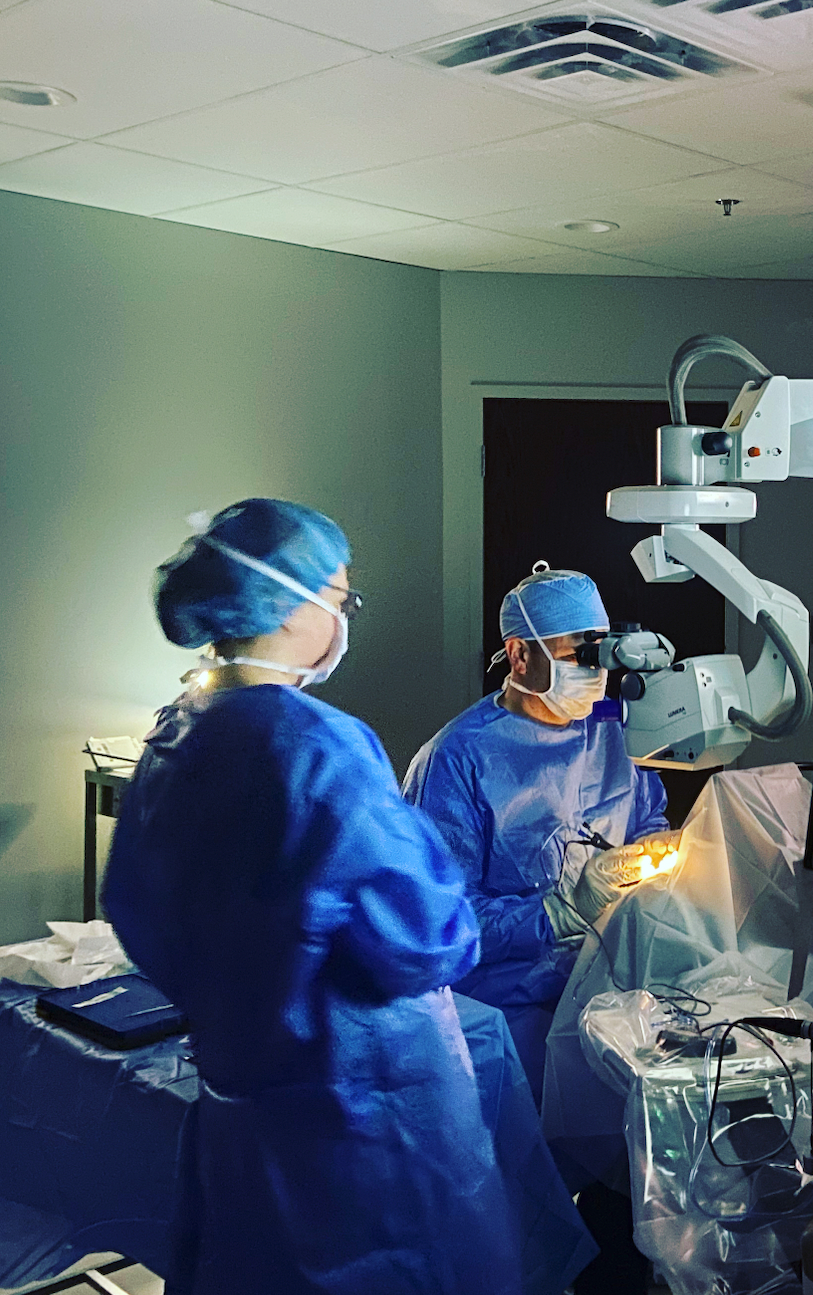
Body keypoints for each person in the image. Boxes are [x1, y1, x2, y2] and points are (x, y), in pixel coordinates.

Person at [103, 500, 591, 1295]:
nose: (342, 616)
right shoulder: (316, 745)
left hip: (242, 1113)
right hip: (366, 1122)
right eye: (338, 596)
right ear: (288, 605)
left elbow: (130, 907)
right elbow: (428, 937)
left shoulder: (176, 732)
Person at [404, 565, 670, 1295]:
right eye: (576, 651)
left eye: (602, 649)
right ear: (521, 655)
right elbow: (440, 925)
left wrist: (657, 862)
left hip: (609, 997)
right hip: (507, 1018)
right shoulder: (457, 759)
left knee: (637, 1188)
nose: (596, 670)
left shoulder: (615, 730)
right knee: (522, 1226)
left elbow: (650, 824)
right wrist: (553, 913)